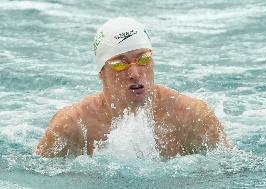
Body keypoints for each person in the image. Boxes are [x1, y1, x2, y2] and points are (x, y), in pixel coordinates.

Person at [35, 17, 231, 158]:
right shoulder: (72, 125)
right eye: (120, 63)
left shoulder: (193, 116)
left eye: (144, 59)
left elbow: (234, 172)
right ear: (101, 73)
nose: (135, 73)